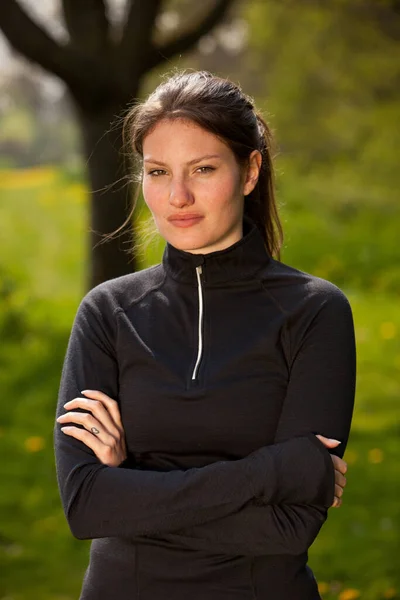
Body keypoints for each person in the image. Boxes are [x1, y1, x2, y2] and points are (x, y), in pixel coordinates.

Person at [54, 70, 356, 600]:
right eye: (157, 171)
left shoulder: (314, 312)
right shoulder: (107, 313)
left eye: (203, 168)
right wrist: (275, 471)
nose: (177, 196)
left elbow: (289, 529)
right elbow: (86, 505)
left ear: (249, 171)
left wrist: (132, 485)